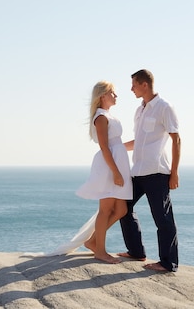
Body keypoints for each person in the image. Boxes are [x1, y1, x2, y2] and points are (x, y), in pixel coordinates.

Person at [118, 69, 181, 272]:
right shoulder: (140, 110)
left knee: (162, 218)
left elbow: (176, 139)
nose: (131, 89)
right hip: (138, 171)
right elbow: (139, 141)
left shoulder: (164, 107)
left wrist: (174, 172)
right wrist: (115, 147)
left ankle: (168, 263)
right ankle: (136, 252)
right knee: (123, 207)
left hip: (157, 172)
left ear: (144, 84)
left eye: (134, 85)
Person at [74, 80, 132, 264]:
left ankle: (92, 241)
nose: (116, 96)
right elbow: (105, 147)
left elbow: (117, 145)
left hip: (118, 163)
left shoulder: (108, 115)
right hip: (110, 166)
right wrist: (115, 172)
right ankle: (100, 250)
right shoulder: (100, 117)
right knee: (106, 210)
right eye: (113, 93)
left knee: (121, 210)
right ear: (103, 96)